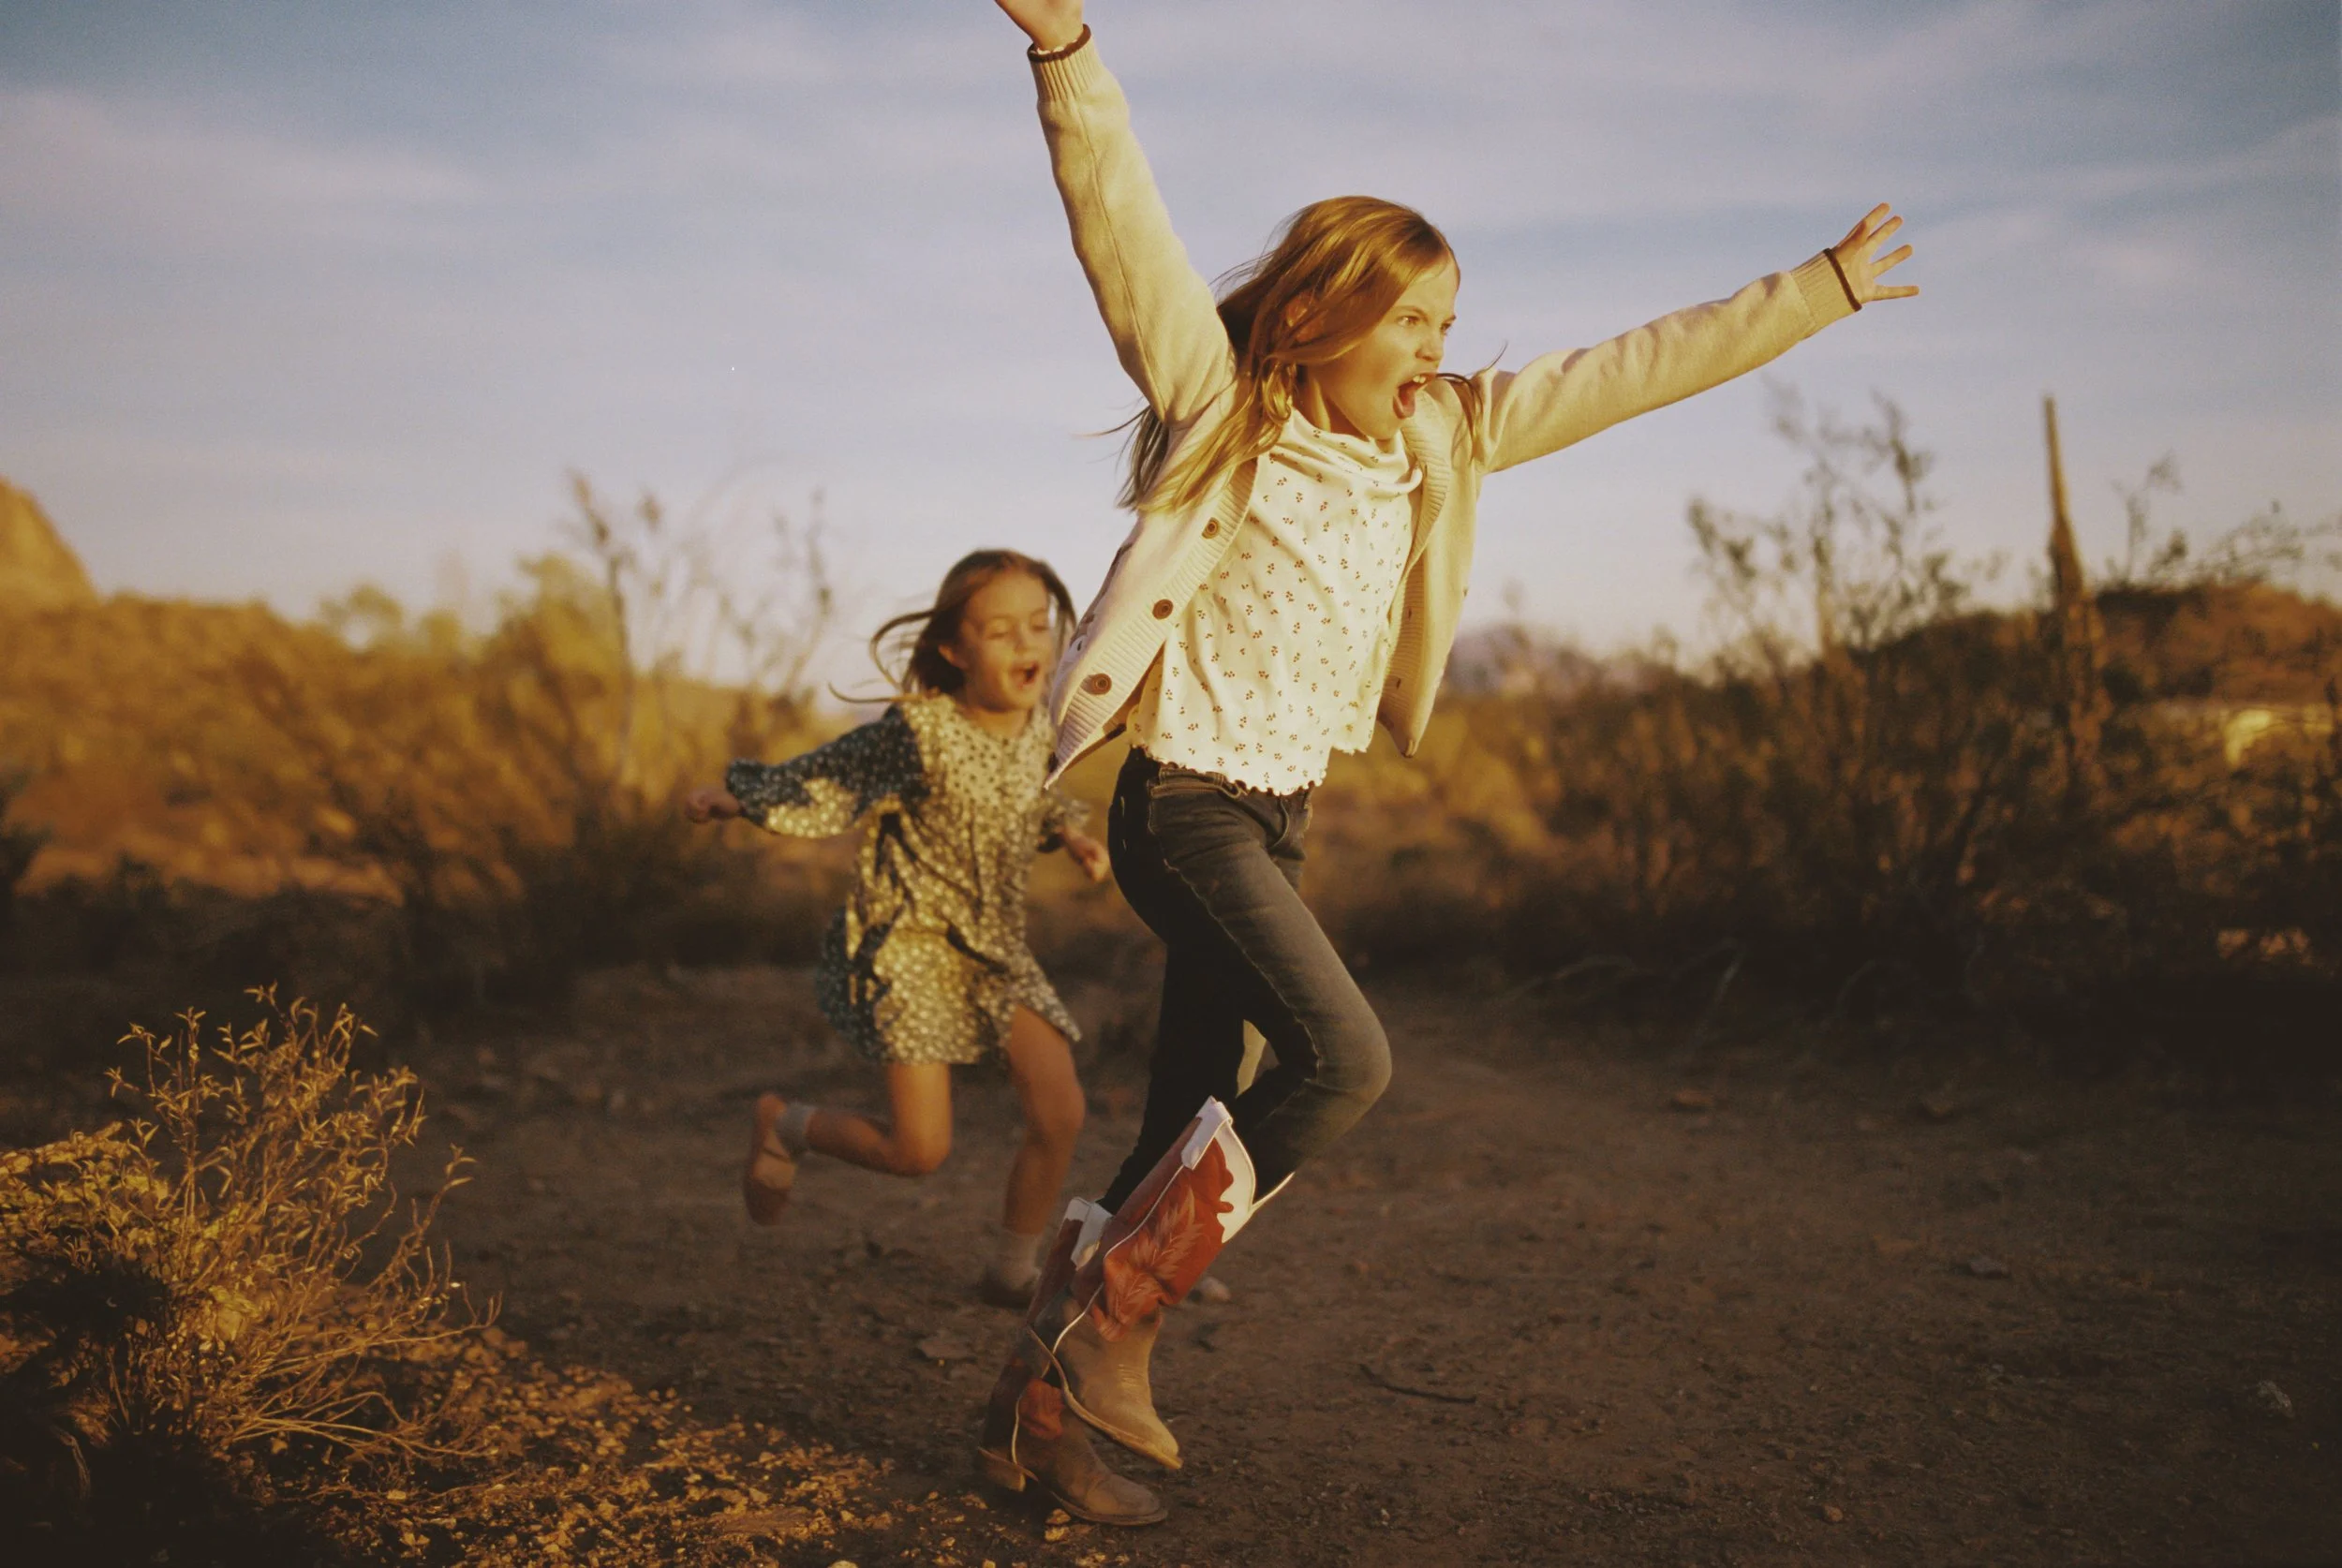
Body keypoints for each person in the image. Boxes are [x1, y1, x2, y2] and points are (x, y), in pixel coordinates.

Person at [974, 0, 1920, 1528]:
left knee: (1189, 1121)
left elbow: (1635, 367)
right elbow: (1123, 226)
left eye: (1445, 320)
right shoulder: (1226, 409)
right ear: (1321, 316)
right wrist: (1067, 48)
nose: (1436, 347)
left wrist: (1811, 293)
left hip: (1274, 814)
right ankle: (1121, 1323)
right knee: (1347, 1059)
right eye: (1411, 317)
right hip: (1179, 800)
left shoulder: (1444, 438)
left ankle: (1036, 1404)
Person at [685, 548, 1113, 1309]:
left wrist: (1073, 837)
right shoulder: (920, 731)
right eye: (1001, 630)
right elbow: (835, 778)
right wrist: (743, 799)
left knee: (1061, 1111)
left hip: (991, 948)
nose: (1027, 644)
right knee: (919, 1152)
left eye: (1039, 626)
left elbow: (1038, 800)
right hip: (912, 950)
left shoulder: (1037, 729)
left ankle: (1012, 1268)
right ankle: (787, 1125)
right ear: (953, 648)